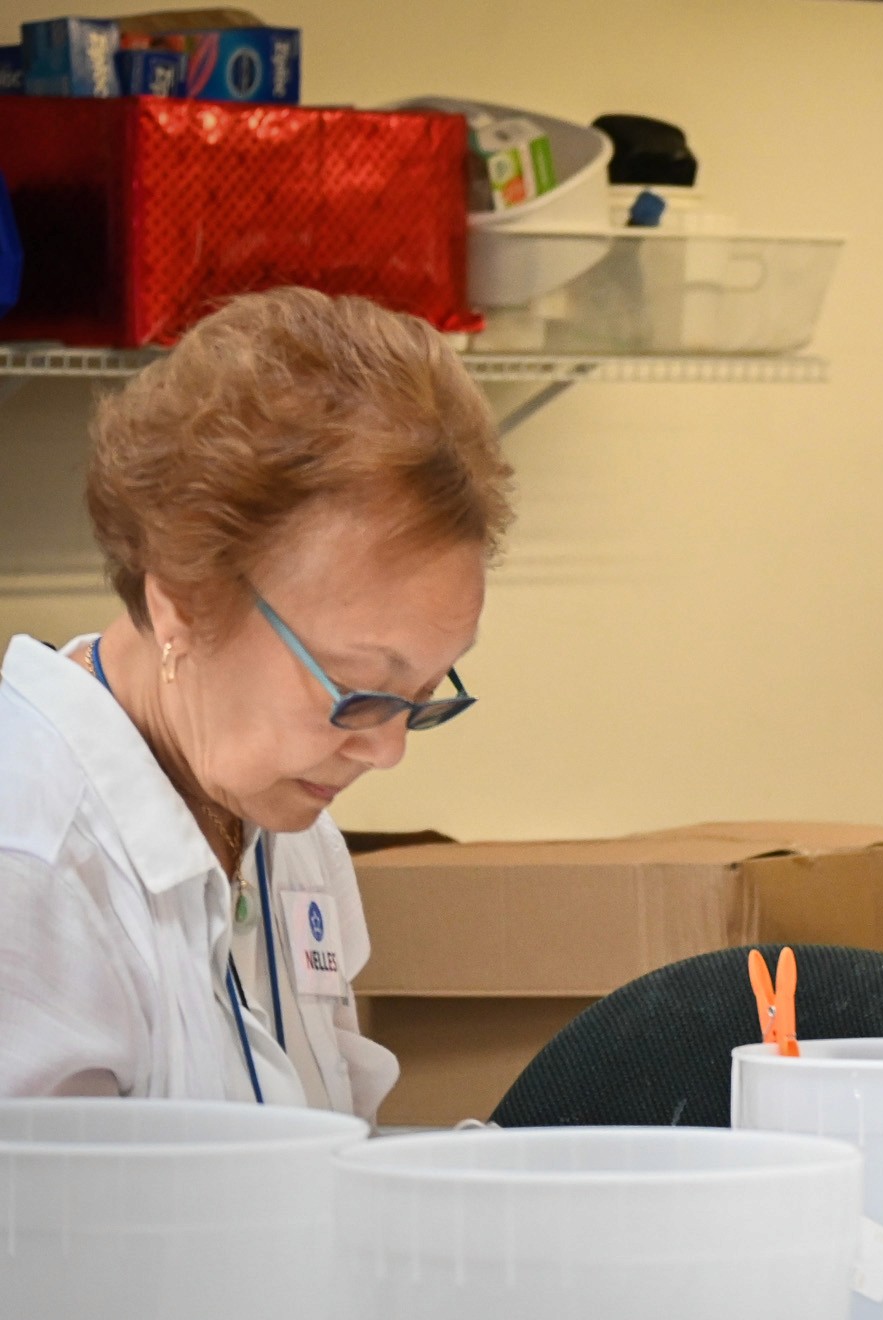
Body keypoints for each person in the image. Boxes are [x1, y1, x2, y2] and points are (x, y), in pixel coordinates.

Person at [0, 287, 516, 1114]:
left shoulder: (285, 824)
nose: (388, 749)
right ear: (181, 598)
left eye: (420, 695)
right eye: (355, 689)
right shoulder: (28, 870)